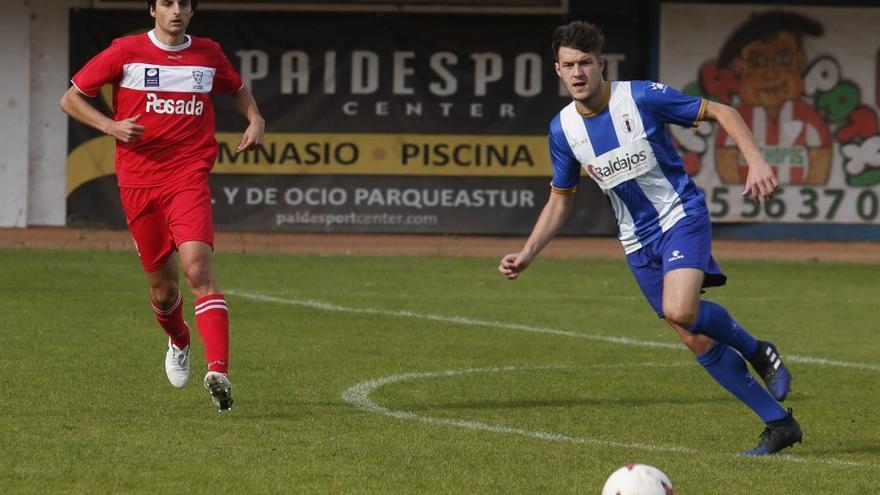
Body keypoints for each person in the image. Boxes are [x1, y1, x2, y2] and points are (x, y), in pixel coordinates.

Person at [499, 21, 802, 456]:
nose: (578, 72)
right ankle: (779, 424)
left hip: (679, 215)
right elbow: (560, 200)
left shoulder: (640, 96)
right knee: (691, 333)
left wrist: (756, 162)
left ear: (601, 64)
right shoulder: (563, 130)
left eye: (586, 62)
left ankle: (757, 349)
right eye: (569, 65)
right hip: (636, 240)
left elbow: (722, 111)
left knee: (679, 308)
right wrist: (528, 252)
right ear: (558, 71)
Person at [60, 0, 265, 412]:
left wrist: (255, 118)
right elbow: (71, 98)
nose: (176, 10)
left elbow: (238, 89)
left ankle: (219, 372)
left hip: (188, 174)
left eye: (183, 4)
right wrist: (109, 125)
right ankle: (179, 339)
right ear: (153, 9)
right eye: (167, 3)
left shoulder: (207, 53)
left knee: (198, 269)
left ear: (191, 11)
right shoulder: (125, 51)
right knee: (163, 286)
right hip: (138, 182)